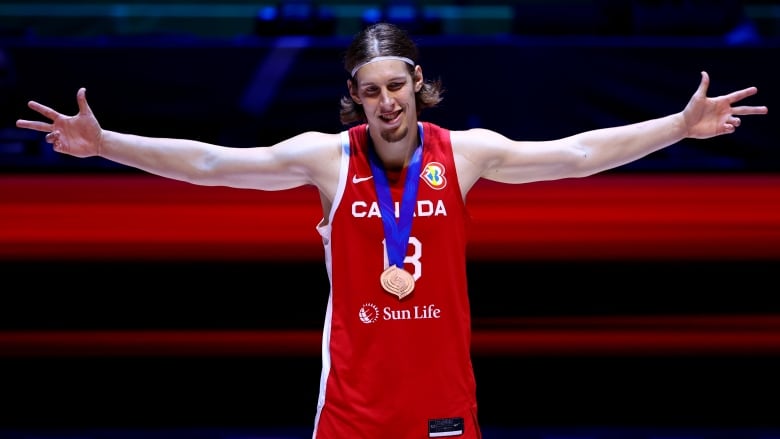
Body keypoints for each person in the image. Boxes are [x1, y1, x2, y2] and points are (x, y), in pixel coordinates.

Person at [15, 22, 768, 439]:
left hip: (445, 409)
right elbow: (212, 163)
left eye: (397, 86)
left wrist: (678, 127)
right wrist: (105, 144)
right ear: (355, 96)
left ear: (418, 85)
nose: (387, 102)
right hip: (351, 413)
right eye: (371, 90)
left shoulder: (464, 154)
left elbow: (575, 155)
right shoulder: (326, 159)